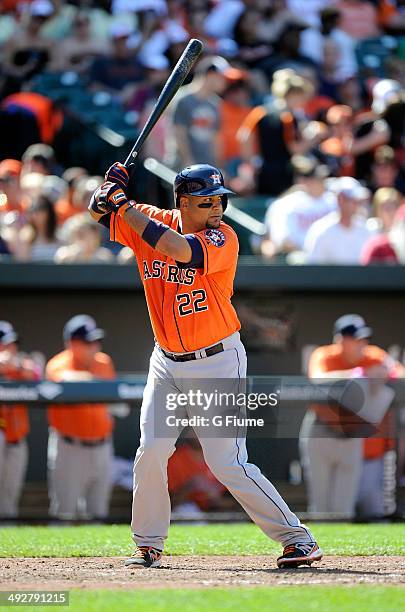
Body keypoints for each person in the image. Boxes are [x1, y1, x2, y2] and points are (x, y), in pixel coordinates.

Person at [89, 160, 323, 569]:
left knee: (227, 462)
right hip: (165, 361)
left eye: (220, 200)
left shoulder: (223, 238)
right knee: (151, 451)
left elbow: (175, 249)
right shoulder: (150, 219)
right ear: (182, 201)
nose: (216, 208)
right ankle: (148, 543)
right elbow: (96, 211)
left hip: (216, 360)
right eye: (205, 202)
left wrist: (123, 205)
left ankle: (296, 538)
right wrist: (108, 190)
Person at [300, 314, 403, 517]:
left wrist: (383, 374)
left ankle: (338, 549)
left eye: (364, 339)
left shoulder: (373, 355)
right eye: (356, 339)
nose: (361, 344)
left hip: (352, 434)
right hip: (321, 430)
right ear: (341, 340)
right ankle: (318, 547)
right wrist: (360, 374)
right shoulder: (325, 355)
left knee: (343, 507)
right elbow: (318, 379)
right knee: (320, 504)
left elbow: (399, 375)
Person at [46, 315, 116, 520]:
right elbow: (64, 379)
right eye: (87, 343)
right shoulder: (58, 363)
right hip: (70, 448)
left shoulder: (103, 362)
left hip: (102, 447)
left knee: (99, 512)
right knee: (64, 512)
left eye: (96, 341)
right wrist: (94, 383)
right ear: (71, 343)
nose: (94, 347)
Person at [0, 321, 40, 517]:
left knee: (10, 493)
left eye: (13, 344)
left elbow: (37, 374)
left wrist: (15, 366)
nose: (10, 348)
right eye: (5, 343)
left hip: (16, 437)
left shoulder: (20, 365)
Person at [261, 155, 336, 259]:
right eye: (314, 178)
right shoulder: (285, 204)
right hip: (299, 259)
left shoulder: (333, 200)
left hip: (332, 258)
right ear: (301, 180)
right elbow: (283, 242)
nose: (321, 182)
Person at [304, 176, 373, 264]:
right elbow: (313, 267)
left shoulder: (365, 229)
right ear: (340, 199)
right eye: (352, 200)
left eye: (357, 200)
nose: (356, 204)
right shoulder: (321, 230)